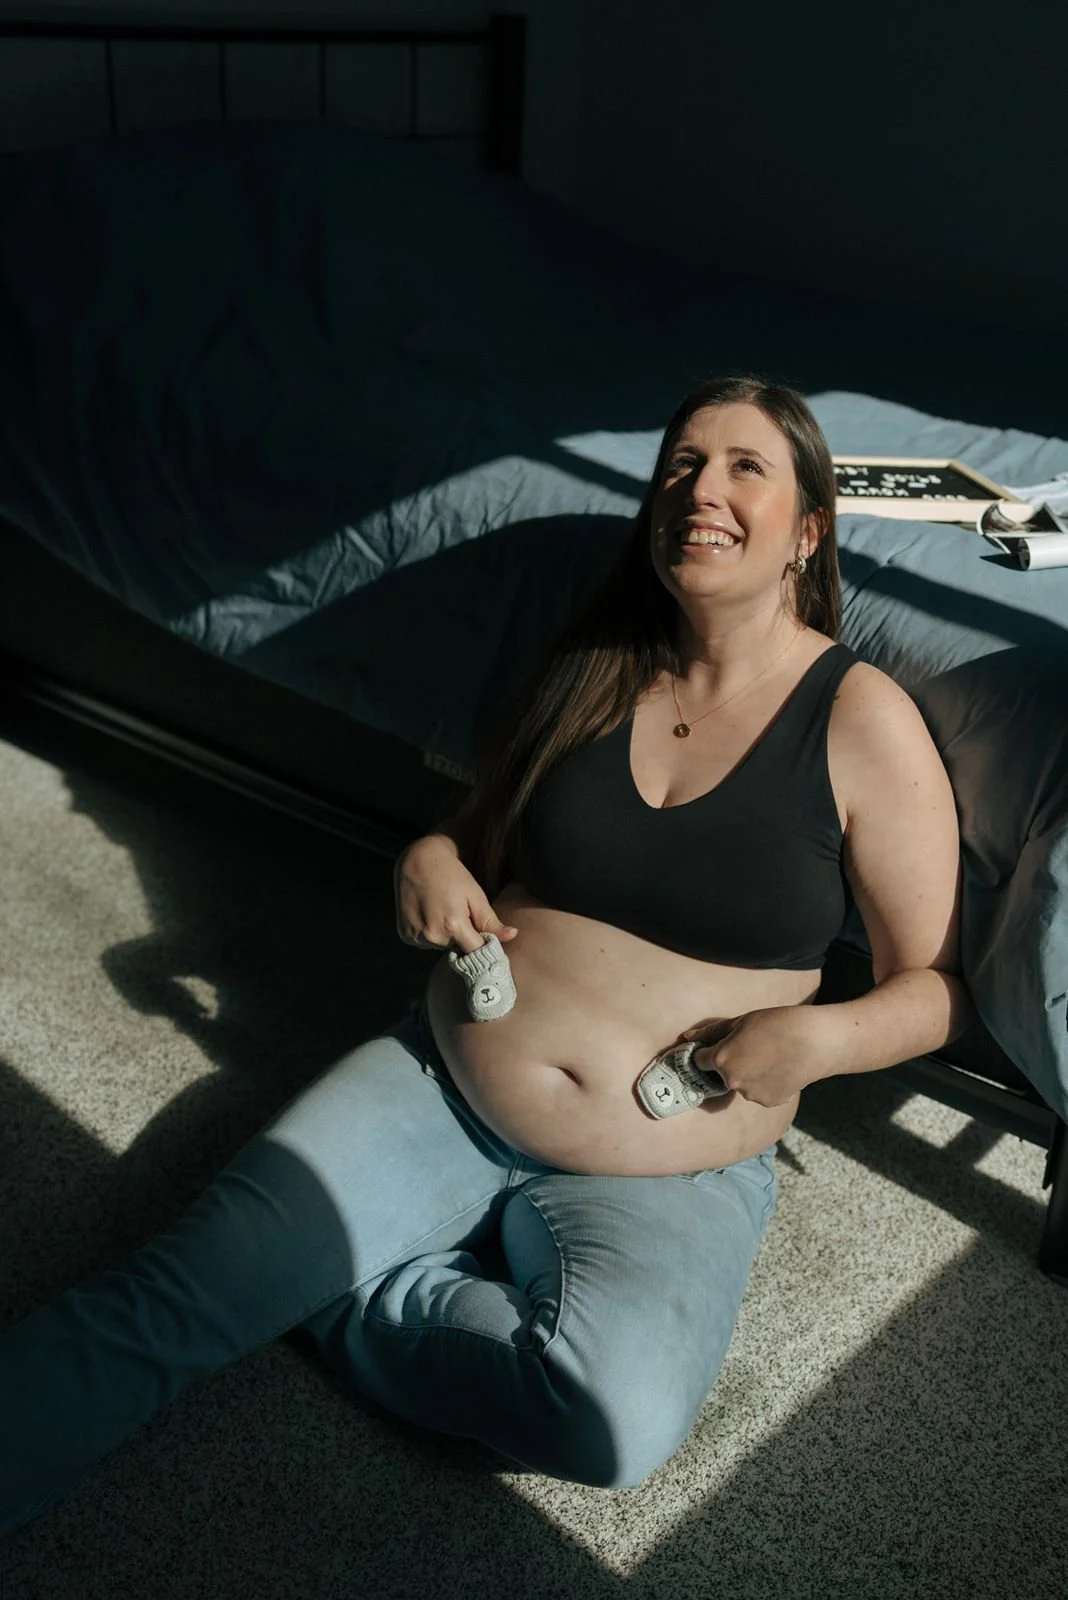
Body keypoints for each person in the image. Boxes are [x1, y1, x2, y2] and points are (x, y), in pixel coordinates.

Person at [0, 375, 973, 1535]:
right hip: (444, 1082)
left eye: (744, 467)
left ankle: (326, 1285)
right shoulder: (596, 661)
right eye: (680, 465)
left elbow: (937, 991)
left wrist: (817, 1036)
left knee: (610, 1418)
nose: (700, 489)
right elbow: (475, 839)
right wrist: (428, 855)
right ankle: (260, 1280)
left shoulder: (859, 718)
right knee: (168, 1298)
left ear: (808, 529)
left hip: (677, 1156)